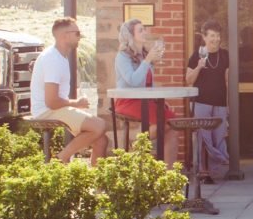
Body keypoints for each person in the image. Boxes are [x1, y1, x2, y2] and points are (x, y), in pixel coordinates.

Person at [30, 17, 110, 164]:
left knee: (101, 141)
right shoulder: (52, 59)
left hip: (55, 109)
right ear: (64, 36)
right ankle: (60, 159)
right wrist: (76, 103)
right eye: (77, 33)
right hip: (47, 110)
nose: (80, 37)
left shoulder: (60, 56)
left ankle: (96, 179)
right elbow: (51, 102)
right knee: (100, 125)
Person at [112, 17, 179, 163]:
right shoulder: (122, 56)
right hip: (128, 101)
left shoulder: (143, 54)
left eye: (144, 29)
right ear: (131, 35)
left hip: (145, 100)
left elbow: (149, 84)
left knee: (172, 125)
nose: (145, 32)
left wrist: (158, 101)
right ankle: (137, 147)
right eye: (140, 30)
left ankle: (169, 173)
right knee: (166, 122)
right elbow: (133, 81)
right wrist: (148, 60)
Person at [185, 20, 231, 181]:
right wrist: (198, 66)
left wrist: (229, 105)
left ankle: (215, 171)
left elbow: (227, 82)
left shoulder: (225, 55)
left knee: (219, 137)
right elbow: (189, 80)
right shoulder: (196, 55)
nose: (216, 39)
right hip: (200, 101)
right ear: (204, 37)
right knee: (203, 137)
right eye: (212, 36)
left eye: (217, 35)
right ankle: (203, 172)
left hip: (220, 102)